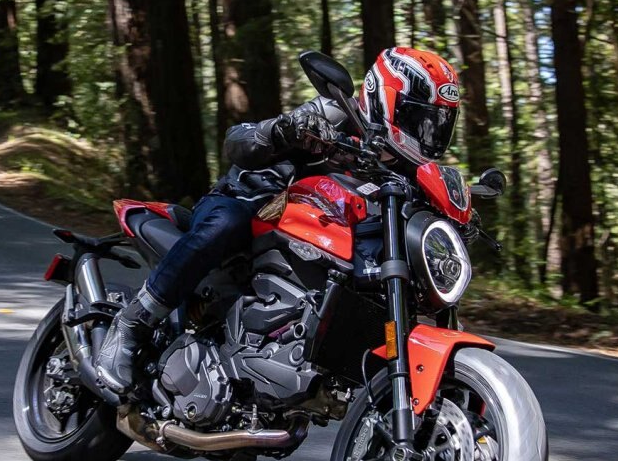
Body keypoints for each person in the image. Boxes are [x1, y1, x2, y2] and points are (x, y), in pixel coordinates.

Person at [93, 47, 462, 394]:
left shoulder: (406, 169)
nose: (428, 133)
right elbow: (238, 141)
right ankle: (133, 323)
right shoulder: (336, 113)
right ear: (386, 97)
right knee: (227, 223)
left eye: (437, 124)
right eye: (420, 119)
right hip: (252, 202)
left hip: (324, 238)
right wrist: (285, 129)